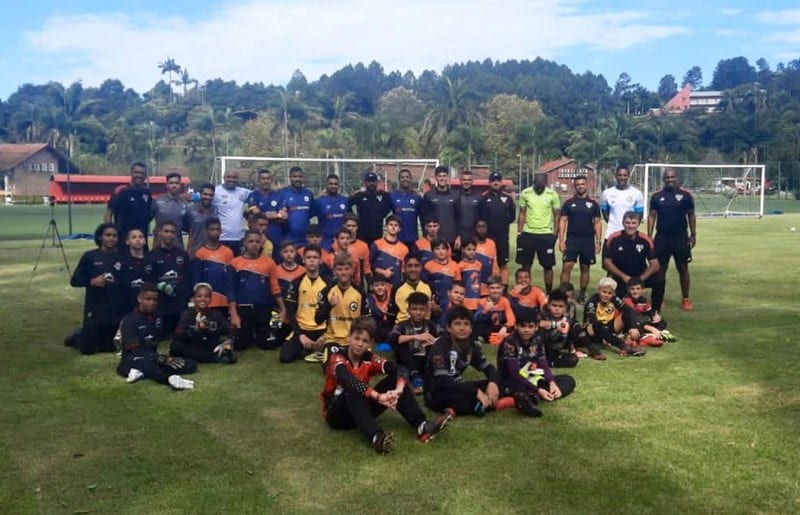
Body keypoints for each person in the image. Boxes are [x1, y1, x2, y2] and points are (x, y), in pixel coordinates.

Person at [321, 318, 452, 454]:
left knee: (395, 379)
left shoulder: (369, 358)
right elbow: (347, 380)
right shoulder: (337, 358)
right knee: (353, 390)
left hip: (360, 411)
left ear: (370, 343)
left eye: (365, 341)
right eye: (356, 338)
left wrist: (398, 390)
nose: (360, 344)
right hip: (337, 415)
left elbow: (400, 369)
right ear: (349, 338)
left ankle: (422, 425)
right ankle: (376, 437)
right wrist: (378, 396)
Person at [117, 283, 197, 390]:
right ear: (139, 299)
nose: (152, 303)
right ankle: (170, 379)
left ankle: (141, 373)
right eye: (148, 299)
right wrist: (160, 359)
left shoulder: (158, 316)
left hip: (154, 358)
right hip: (133, 359)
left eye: (154, 300)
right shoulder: (130, 320)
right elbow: (135, 351)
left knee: (190, 364)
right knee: (146, 365)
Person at [424, 306, 501, 416]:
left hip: (459, 386)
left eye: (466, 324)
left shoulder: (471, 346)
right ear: (449, 328)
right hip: (437, 390)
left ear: (471, 328)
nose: (462, 328)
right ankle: (491, 403)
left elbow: (489, 369)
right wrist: (476, 391)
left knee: (501, 383)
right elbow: (442, 380)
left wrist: (493, 383)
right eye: (457, 324)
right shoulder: (440, 345)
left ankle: (480, 404)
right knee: (457, 398)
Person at [496, 311, 576, 417]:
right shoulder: (510, 342)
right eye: (523, 326)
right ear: (516, 326)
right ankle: (529, 398)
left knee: (568, 380)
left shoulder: (537, 340)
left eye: (530, 326)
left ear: (536, 327)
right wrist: (537, 390)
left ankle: (531, 398)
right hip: (512, 380)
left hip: (531, 377)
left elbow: (543, 364)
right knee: (517, 387)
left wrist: (552, 383)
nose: (526, 330)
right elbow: (513, 373)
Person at [68, 223, 124, 354]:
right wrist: (91, 281)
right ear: (100, 237)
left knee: (108, 348)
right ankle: (77, 337)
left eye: (114, 236)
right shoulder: (90, 256)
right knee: (87, 349)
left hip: (114, 311)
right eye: (108, 235)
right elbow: (74, 281)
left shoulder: (122, 257)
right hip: (94, 309)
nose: (111, 238)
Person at [647, 168, 697, 311]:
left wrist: (693, 234)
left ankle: (686, 299)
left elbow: (691, 215)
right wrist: (649, 237)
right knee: (660, 269)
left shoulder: (686, 196)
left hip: (680, 237)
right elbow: (652, 215)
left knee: (683, 268)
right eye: (667, 177)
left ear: (677, 178)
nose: (670, 180)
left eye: (672, 177)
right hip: (662, 237)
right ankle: (659, 297)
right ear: (664, 179)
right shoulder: (657, 196)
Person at [228, 229, 285, 350]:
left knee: (267, 345)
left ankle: (259, 334)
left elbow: (275, 288)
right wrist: (233, 314)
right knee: (240, 345)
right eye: (251, 241)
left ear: (261, 244)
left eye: (257, 241)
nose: (254, 244)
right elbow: (231, 291)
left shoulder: (269, 263)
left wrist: (283, 309)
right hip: (243, 309)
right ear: (245, 243)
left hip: (263, 308)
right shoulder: (235, 263)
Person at [602, 211, 664, 313]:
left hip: (640, 276)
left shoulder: (645, 240)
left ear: (638, 224)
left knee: (659, 279)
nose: (630, 226)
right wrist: (624, 277)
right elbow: (607, 262)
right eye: (628, 223)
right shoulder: (614, 238)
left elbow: (655, 264)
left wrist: (641, 279)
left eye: (633, 223)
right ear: (623, 223)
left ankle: (655, 312)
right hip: (620, 277)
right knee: (616, 302)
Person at [315, 252, 370, 366]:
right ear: (334, 271)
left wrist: (363, 342)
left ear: (352, 270)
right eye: (340, 269)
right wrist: (329, 305)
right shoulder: (326, 291)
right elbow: (317, 319)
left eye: (346, 269)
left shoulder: (360, 293)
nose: (343, 272)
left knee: (361, 368)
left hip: (354, 340)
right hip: (333, 340)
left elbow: (367, 321)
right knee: (331, 369)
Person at [280, 244, 330, 364]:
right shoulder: (296, 282)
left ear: (320, 260)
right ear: (303, 260)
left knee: (334, 353)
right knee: (285, 357)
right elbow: (291, 313)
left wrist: (325, 336)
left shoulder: (329, 283)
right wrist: (301, 335)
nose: (312, 260)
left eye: (315, 257)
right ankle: (309, 348)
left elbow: (332, 311)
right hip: (302, 328)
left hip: (322, 330)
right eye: (308, 257)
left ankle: (318, 348)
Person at [558, 175, 602, 303]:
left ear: (586, 185)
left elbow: (597, 222)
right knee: (567, 267)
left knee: (585, 267)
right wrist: (561, 240)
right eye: (578, 185)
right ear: (574, 186)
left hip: (587, 240)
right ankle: (563, 295)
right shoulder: (568, 203)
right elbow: (563, 221)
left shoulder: (593, 204)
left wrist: (598, 242)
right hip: (572, 239)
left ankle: (582, 294)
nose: (580, 186)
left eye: (582, 184)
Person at [388, 291, 442, 394]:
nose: (418, 312)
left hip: (425, 359)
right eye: (414, 309)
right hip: (407, 360)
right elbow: (393, 338)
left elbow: (444, 335)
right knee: (402, 345)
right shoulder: (402, 325)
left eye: (422, 309)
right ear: (408, 310)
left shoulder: (430, 324)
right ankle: (414, 378)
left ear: (426, 311)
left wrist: (433, 341)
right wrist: (416, 337)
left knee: (436, 346)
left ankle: (427, 378)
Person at [144, 220, 191, 337]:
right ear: (159, 233)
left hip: (179, 306)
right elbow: (148, 280)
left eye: (172, 232)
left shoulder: (182, 254)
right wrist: (160, 286)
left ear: (175, 234)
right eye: (166, 231)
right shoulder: (151, 255)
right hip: (161, 307)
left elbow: (188, 278)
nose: (169, 234)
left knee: (181, 334)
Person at [516, 172, 561, 293]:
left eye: (541, 185)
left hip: (546, 234)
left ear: (545, 183)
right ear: (533, 182)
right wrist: (519, 233)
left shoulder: (553, 194)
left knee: (548, 266)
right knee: (525, 266)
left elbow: (557, 215)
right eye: (537, 185)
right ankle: (525, 290)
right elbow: (522, 213)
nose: (539, 188)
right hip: (528, 233)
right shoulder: (525, 193)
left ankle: (548, 292)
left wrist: (555, 234)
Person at [170, 283, 236, 364]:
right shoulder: (187, 314)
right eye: (199, 296)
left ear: (210, 298)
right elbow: (178, 334)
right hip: (192, 344)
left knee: (228, 348)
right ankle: (215, 358)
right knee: (176, 346)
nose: (203, 299)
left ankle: (217, 355)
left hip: (208, 344)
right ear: (194, 298)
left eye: (206, 296)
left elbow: (229, 330)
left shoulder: (216, 314)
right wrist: (195, 329)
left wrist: (227, 342)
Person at [584, 277, 644, 357]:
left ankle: (631, 336)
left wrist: (633, 327)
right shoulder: (592, 302)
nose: (606, 295)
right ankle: (623, 346)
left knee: (627, 312)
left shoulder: (614, 299)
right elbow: (592, 320)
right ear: (598, 290)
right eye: (604, 292)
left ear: (613, 293)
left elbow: (629, 310)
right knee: (598, 324)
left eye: (609, 293)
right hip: (594, 330)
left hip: (609, 327)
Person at [478, 172, 516, 285]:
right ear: (489, 182)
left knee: (503, 264)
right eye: (493, 180)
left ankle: (504, 289)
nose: (496, 182)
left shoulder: (507, 199)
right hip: (488, 238)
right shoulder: (483, 198)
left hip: (503, 237)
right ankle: (487, 287)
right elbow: (481, 218)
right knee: (487, 264)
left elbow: (512, 217)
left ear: (501, 182)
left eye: (498, 180)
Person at [104, 162, 153, 249]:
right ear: (131, 173)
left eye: (142, 173)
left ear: (145, 176)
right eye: (136, 172)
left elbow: (149, 214)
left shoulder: (147, 193)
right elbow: (109, 213)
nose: (139, 175)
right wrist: (111, 233)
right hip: (123, 238)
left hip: (141, 239)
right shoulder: (121, 191)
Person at [192, 217, 234, 315]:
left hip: (224, 301)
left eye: (217, 229)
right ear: (207, 231)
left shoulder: (228, 252)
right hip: (206, 303)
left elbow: (231, 279)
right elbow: (197, 281)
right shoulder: (200, 253)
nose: (215, 232)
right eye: (212, 229)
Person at [246, 168, 286, 260]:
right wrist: (276, 215)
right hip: (258, 237)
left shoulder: (279, 195)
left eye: (268, 178)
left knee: (276, 264)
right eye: (263, 179)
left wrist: (264, 213)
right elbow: (256, 214)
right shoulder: (253, 195)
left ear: (271, 180)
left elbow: (283, 215)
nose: (266, 181)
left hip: (276, 236)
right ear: (259, 180)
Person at [272, 241, 306, 348]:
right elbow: (274, 291)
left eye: (291, 251)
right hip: (279, 309)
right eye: (285, 251)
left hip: (297, 311)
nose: (289, 254)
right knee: (274, 341)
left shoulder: (303, 271)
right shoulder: (276, 270)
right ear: (281, 253)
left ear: (296, 253)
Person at [623, 277, 677, 344]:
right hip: (631, 323)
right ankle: (651, 334)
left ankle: (651, 335)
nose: (635, 291)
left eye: (638, 289)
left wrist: (655, 317)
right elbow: (632, 314)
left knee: (662, 322)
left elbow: (650, 311)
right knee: (639, 321)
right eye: (632, 289)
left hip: (641, 322)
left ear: (642, 290)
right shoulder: (627, 299)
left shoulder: (643, 300)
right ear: (628, 290)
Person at [534, 290, 580, 367]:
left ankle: (549, 363)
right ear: (548, 305)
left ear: (565, 308)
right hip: (543, 349)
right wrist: (555, 324)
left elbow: (570, 333)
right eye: (554, 305)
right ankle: (542, 361)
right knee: (540, 332)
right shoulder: (543, 314)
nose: (557, 309)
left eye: (560, 306)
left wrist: (572, 349)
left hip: (556, 351)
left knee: (573, 359)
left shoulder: (567, 318)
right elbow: (537, 324)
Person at [347, 171, 392, 246]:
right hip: (361, 236)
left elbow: (388, 207)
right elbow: (347, 204)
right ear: (365, 183)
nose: (371, 184)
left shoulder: (384, 196)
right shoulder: (359, 196)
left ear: (377, 182)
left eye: (373, 181)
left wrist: (380, 215)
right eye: (369, 181)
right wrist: (353, 217)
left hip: (377, 235)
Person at [213, 169, 250, 256]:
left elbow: (257, 196)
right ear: (224, 178)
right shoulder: (216, 191)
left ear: (238, 179)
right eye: (229, 177)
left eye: (234, 177)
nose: (231, 179)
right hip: (221, 237)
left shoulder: (243, 192)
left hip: (239, 238)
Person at [600, 165, 644, 239]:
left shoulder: (637, 193)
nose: (622, 177)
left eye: (624, 175)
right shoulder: (606, 193)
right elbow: (605, 215)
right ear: (616, 176)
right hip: (611, 234)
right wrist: (614, 225)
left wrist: (630, 229)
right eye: (620, 175)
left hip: (629, 236)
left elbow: (639, 216)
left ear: (628, 176)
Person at [422, 239, 461, 319]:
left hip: (451, 305)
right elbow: (425, 287)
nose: (441, 252)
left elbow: (458, 287)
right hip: (435, 305)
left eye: (443, 249)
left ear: (447, 250)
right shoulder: (428, 266)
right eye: (437, 249)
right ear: (432, 251)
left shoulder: (454, 265)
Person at [420, 166, 459, 246]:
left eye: (444, 176)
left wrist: (459, 236)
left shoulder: (456, 195)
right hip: (434, 240)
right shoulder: (428, 195)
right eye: (439, 176)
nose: (442, 178)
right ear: (436, 178)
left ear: (448, 177)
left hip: (451, 239)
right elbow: (423, 218)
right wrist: (425, 236)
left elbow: (459, 217)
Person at [392, 253, 434, 325]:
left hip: (424, 327)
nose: (413, 269)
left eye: (416, 266)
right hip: (402, 327)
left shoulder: (428, 286)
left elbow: (436, 311)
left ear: (421, 267)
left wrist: (435, 309)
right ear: (404, 268)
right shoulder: (397, 288)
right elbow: (393, 313)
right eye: (409, 266)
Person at [370, 215, 409, 289]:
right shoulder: (376, 244)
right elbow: (369, 265)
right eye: (391, 224)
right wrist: (383, 272)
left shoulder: (404, 248)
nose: (393, 227)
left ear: (399, 229)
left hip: (396, 286)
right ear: (386, 227)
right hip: (379, 287)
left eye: (396, 225)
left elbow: (404, 271)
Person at [474, 276, 515, 345]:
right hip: (487, 328)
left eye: (498, 288)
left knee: (513, 331)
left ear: (503, 288)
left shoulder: (505, 301)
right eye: (492, 288)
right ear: (487, 289)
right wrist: (485, 311)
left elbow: (511, 318)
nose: (495, 291)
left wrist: (505, 327)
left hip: (499, 328)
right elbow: (476, 319)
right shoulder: (482, 301)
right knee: (478, 328)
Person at [152, 172, 189, 249]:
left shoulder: (184, 204)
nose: (174, 185)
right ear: (167, 185)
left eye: (176, 183)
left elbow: (188, 227)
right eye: (171, 183)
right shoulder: (157, 202)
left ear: (180, 185)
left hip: (177, 246)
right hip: (159, 246)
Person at [281, 166, 315, 247]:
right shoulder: (282, 193)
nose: (297, 179)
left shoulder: (308, 194)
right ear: (290, 177)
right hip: (288, 239)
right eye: (295, 176)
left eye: (300, 176)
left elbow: (311, 213)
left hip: (305, 239)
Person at [314, 174, 350, 249]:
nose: (333, 186)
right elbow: (308, 215)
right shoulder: (319, 201)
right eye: (331, 184)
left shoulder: (345, 200)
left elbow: (350, 219)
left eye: (335, 184)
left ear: (339, 185)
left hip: (342, 242)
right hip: (325, 242)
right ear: (326, 185)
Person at [389, 168, 423, 248]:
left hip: (413, 239)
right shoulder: (392, 196)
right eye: (402, 177)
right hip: (397, 238)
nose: (405, 179)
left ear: (411, 179)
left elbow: (423, 217)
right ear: (399, 180)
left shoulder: (417, 197)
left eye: (407, 177)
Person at [119, 228, 150, 315]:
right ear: (127, 241)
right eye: (134, 237)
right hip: (127, 306)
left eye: (140, 237)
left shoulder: (151, 260)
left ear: (144, 241)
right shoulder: (122, 262)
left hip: (148, 307)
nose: (138, 239)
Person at [331, 225, 370, 289]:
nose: (345, 241)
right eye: (342, 238)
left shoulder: (354, 260)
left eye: (347, 238)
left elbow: (357, 280)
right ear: (336, 240)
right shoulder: (329, 258)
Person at [185, 183, 219, 257]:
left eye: (211, 195)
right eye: (205, 194)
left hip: (212, 253)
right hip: (195, 252)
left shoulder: (216, 210)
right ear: (200, 194)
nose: (208, 197)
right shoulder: (190, 210)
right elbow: (188, 230)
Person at [454, 169, 482, 258]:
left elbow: (481, 217)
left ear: (472, 181)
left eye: (469, 180)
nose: (466, 182)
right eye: (464, 180)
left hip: (474, 236)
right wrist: (457, 236)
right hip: (458, 236)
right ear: (460, 181)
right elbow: (453, 217)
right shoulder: (455, 196)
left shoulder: (478, 196)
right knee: (458, 263)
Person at [473, 220, 500, 291]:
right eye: (479, 227)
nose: (481, 229)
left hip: (486, 282)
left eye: (483, 227)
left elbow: (494, 262)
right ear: (475, 228)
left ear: (487, 228)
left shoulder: (491, 243)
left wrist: (495, 278)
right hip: (474, 283)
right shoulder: (471, 243)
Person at [457, 239, 483, 311]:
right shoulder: (460, 266)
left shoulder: (479, 264)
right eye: (469, 249)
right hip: (465, 301)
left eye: (473, 250)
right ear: (463, 250)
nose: (471, 252)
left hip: (477, 300)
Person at [368, 275, 394, 343]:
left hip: (390, 326)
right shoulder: (370, 298)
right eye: (376, 285)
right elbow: (374, 310)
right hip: (378, 328)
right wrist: (382, 313)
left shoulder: (391, 296)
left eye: (382, 285)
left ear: (386, 286)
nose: (379, 288)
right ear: (372, 287)